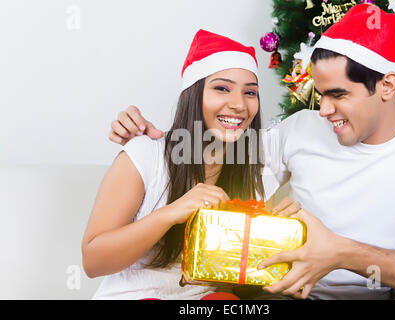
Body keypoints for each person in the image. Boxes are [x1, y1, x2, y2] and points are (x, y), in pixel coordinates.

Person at [108, 4, 395, 300]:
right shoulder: (302, 127)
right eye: (320, 95)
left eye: (339, 95)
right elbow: (217, 146)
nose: (325, 111)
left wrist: (340, 253)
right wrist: (148, 137)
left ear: (387, 86)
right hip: (280, 292)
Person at [82, 29, 270, 299]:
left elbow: (231, 278)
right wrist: (172, 212)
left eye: (250, 93)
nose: (239, 104)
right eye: (222, 88)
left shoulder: (251, 170)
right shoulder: (145, 154)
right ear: (192, 95)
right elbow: (93, 262)